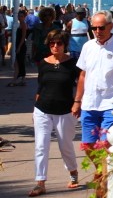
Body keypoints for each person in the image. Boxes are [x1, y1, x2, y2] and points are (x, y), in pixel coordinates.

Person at [74, 11, 113, 150]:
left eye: (101, 28)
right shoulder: (87, 47)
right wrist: (77, 101)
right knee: (88, 145)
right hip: (90, 103)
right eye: (94, 28)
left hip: (112, 103)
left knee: (105, 144)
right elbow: (83, 75)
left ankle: (105, 172)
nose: (97, 31)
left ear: (110, 26)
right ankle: (101, 171)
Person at [30, 29, 80, 196]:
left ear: (64, 45)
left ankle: (73, 173)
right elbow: (40, 86)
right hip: (42, 110)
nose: (55, 46)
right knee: (40, 146)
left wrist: (77, 104)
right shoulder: (43, 63)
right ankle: (40, 182)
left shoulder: (73, 63)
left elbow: (81, 84)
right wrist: (35, 108)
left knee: (65, 145)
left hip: (65, 111)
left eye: (59, 43)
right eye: (52, 43)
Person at [9, 9, 28, 86]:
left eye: (21, 16)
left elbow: (23, 37)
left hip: (21, 46)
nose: (20, 17)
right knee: (18, 63)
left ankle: (15, 79)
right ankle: (21, 79)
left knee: (18, 63)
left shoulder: (23, 24)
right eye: (19, 16)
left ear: (24, 17)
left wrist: (19, 47)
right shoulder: (20, 24)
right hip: (19, 45)